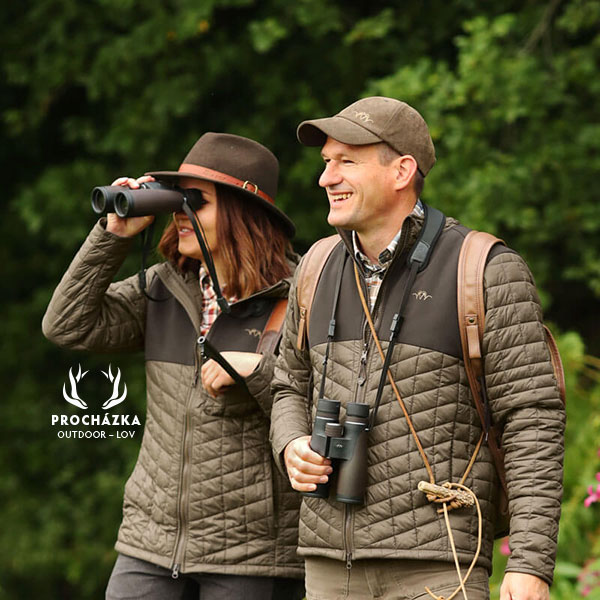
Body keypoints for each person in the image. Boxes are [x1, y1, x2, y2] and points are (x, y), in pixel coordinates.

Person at [270, 97, 565, 600]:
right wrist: (291, 443)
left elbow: (532, 418)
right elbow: (288, 385)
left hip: (438, 569)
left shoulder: (485, 269)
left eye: (346, 162)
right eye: (326, 162)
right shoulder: (315, 267)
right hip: (327, 568)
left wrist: (531, 562)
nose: (326, 178)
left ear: (402, 171)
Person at [42, 132, 305, 600]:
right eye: (176, 200)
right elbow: (67, 326)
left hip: (250, 553)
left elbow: (319, 405)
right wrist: (112, 236)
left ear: (244, 213)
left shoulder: (301, 296)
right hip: (150, 541)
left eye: (195, 201)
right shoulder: (164, 288)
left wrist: (258, 371)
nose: (180, 213)